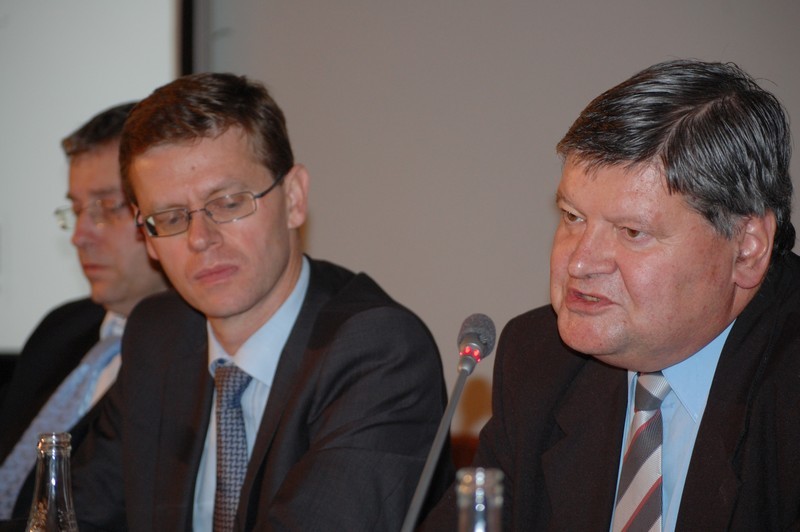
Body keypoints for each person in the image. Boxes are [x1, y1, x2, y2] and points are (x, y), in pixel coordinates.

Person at [422, 59, 800, 530]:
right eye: (572, 217)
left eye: (631, 232)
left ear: (747, 248)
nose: (579, 263)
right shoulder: (540, 362)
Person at [71, 73, 449, 531]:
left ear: (294, 198)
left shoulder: (378, 352)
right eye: (170, 217)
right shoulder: (158, 335)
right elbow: (76, 515)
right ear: (147, 237)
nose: (200, 239)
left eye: (228, 203)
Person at [0, 103, 169, 520]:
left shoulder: (191, 358)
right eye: (76, 211)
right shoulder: (62, 326)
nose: (79, 236)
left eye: (106, 208)